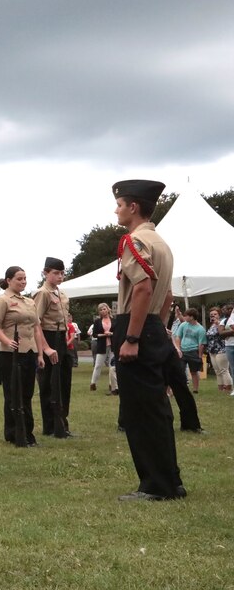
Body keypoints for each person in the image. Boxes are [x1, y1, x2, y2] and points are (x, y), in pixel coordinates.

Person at [110, 179, 186, 501]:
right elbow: (166, 294)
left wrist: (132, 336)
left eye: (119, 204)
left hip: (136, 326)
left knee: (141, 412)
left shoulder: (133, 240)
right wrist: (159, 328)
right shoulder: (162, 243)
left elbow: (141, 288)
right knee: (158, 409)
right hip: (154, 324)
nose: (116, 209)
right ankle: (171, 481)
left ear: (133, 207)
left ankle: (155, 485)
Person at [0, 266, 45, 446]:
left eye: (25, 278)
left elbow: (36, 328)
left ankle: (27, 431)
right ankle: (14, 432)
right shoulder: (2, 300)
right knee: (13, 393)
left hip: (29, 351)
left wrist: (40, 354)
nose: (23, 282)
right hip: (10, 354)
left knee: (27, 393)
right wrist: (7, 340)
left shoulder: (29, 302)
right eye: (19, 279)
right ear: (8, 280)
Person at [34, 257, 73, 437]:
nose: (60, 276)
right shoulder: (43, 293)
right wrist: (46, 348)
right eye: (56, 273)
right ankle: (51, 426)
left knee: (64, 383)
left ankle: (62, 423)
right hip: (48, 336)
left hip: (61, 337)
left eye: (62, 273)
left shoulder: (61, 293)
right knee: (50, 383)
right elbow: (36, 323)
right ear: (45, 273)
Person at [173, 308, 206, 394]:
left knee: (194, 372)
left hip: (193, 351)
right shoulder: (183, 325)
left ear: (191, 317)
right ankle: (181, 388)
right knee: (180, 370)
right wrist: (178, 349)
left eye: (186, 315)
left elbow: (201, 344)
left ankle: (195, 389)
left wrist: (199, 356)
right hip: (183, 351)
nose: (184, 317)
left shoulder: (200, 329)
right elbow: (178, 337)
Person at [89, 304, 119, 394]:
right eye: (101, 310)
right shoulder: (97, 321)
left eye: (104, 309)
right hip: (102, 345)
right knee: (98, 365)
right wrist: (104, 335)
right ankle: (93, 383)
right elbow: (94, 334)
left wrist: (111, 333)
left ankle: (112, 385)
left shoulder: (114, 320)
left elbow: (117, 332)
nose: (103, 311)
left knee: (112, 366)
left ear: (108, 309)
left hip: (112, 345)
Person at [206, 307, 232, 392]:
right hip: (212, 350)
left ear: (219, 314)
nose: (213, 316)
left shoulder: (223, 322)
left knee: (223, 370)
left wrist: (218, 323)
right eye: (211, 315)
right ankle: (221, 388)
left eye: (215, 314)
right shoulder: (212, 325)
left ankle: (228, 388)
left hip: (221, 349)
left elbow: (224, 333)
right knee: (217, 370)